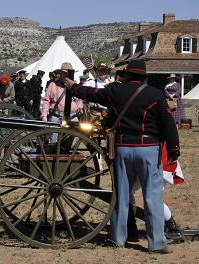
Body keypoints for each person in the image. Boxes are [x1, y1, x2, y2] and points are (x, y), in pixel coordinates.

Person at [65, 60, 180, 254]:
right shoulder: (155, 94)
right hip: (148, 148)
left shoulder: (114, 91)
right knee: (152, 197)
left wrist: (73, 86)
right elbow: (168, 123)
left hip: (123, 147)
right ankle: (157, 243)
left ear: (126, 75)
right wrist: (174, 148)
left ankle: (118, 238)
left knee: (121, 195)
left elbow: (91, 94)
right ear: (144, 77)